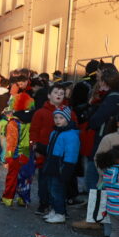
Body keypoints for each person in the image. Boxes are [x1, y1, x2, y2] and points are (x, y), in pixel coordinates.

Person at [31, 83, 77, 214]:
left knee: (58, 181)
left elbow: (74, 128)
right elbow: (34, 130)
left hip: (61, 153)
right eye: (56, 92)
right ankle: (44, 203)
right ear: (49, 95)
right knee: (44, 179)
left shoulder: (69, 112)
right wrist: (34, 146)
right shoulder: (40, 112)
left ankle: (57, 205)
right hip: (43, 150)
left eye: (61, 93)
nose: (59, 95)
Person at [40, 106, 81, 224]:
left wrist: (67, 169)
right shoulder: (55, 132)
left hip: (61, 167)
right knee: (51, 190)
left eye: (61, 118)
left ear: (67, 119)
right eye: (56, 117)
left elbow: (71, 154)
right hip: (52, 165)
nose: (58, 120)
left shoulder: (71, 135)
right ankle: (54, 209)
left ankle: (60, 213)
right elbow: (50, 149)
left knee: (57, 191)